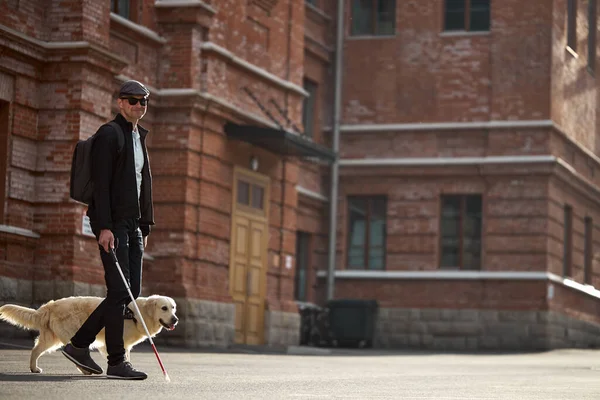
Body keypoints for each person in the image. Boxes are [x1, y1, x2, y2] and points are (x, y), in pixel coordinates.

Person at [62, 80, 155, 380]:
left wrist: (145, 225)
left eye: (144, 101)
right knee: (118, 290)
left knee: (130, 291)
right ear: (120, 103)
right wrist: (103, 227)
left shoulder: (139, 136)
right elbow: (101, 186)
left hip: (133, 225)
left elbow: (144, 185)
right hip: (112, 225)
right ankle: (116, 360)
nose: (139, 105)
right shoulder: (109, 134)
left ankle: (79, 344)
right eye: (132, 100)